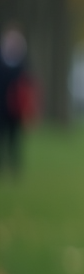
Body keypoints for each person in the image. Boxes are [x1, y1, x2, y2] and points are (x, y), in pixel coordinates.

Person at [0, 26, 34, 176]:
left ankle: (14, 166)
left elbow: (27, 87)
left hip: (15, 108)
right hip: (1, 107)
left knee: (14, 138)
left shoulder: (23, 64)